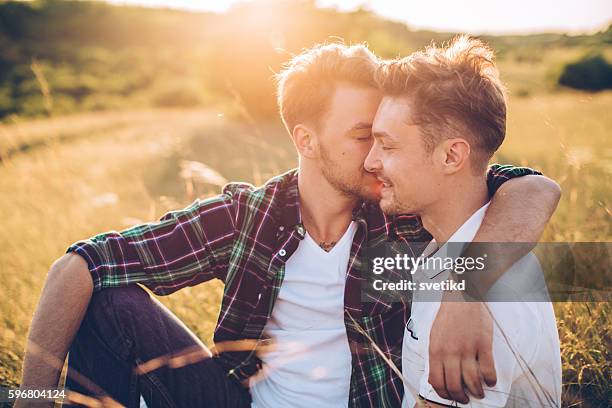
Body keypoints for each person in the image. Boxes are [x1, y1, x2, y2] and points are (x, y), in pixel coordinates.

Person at [18, 42, 561, 408]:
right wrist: (32, 401)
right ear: (306, 140)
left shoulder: (406, 208)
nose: (376, 156)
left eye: (385, 139)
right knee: (110, 302)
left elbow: (532, 187)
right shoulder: (247, 217)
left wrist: (466, 292)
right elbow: (81, 264)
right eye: (362, 136)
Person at [366, 36, 562, 407]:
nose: (370, 162)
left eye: (387, 145)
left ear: (452, 156)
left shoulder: (495, 295)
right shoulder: (451, 254)